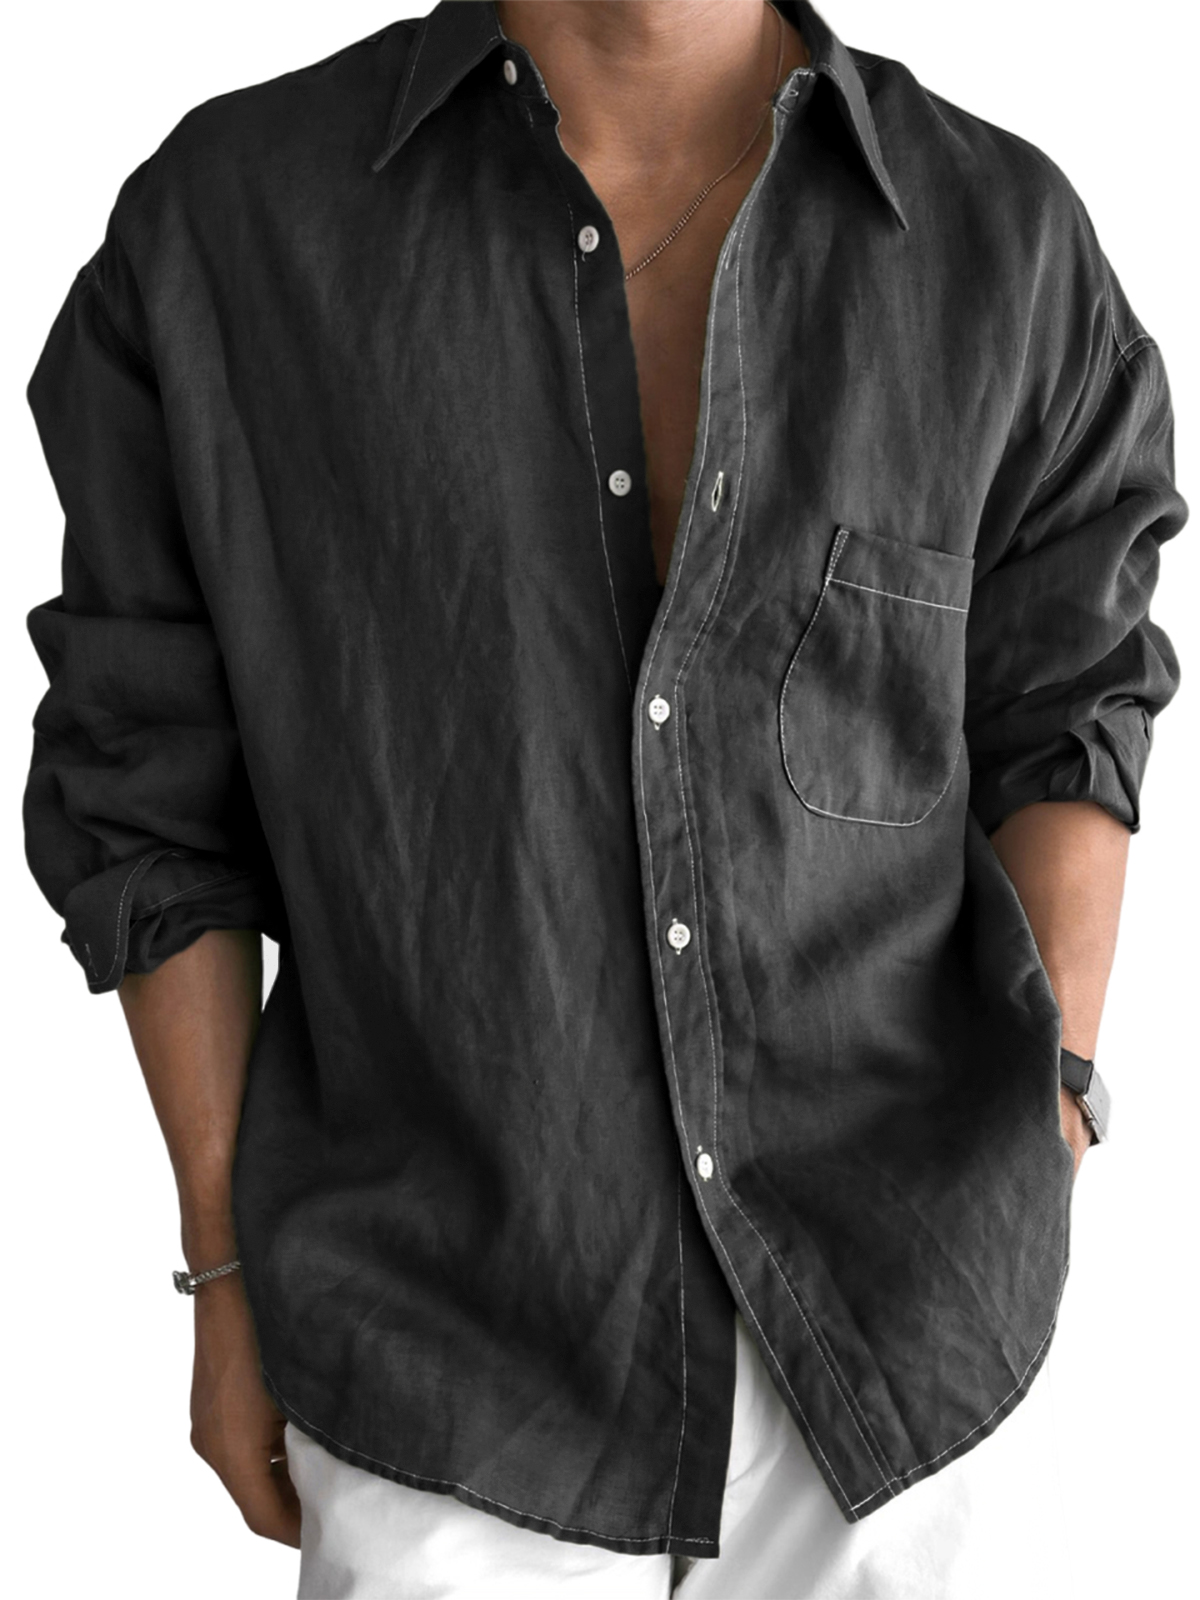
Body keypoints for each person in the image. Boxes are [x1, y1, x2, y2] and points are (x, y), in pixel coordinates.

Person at [21, 0, 1185, 1595]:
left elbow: (1069, 711)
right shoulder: (233, 227)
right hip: (447, 1353)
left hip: (901, 1345)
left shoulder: (1002, 241)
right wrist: (223, 1274)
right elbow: (148, 785)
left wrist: (1056, 1103)